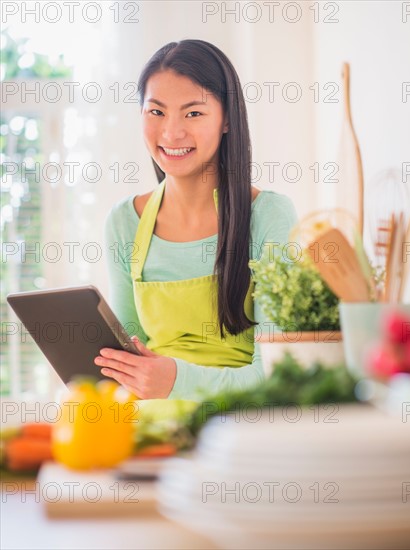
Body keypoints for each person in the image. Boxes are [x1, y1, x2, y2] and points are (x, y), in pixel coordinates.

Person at [95, 39, 297, 401]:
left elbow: (276, 372)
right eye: (156, 112)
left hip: (240, 425)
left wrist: (177, 381)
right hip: (152, 428)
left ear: (227, 120)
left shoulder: (269, 216)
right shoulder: (125, 222)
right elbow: (128, 359)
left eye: (193, 113)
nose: (171, 133)